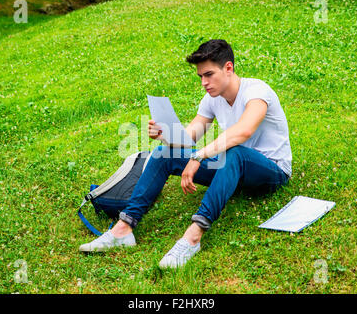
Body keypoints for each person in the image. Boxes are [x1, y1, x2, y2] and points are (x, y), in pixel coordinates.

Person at [79, 39, 292, 268]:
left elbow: (243, 131)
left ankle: (193, 236)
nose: (204, 82)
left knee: (235, 152)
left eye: (209, 74)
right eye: (201, 76)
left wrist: (198, 157)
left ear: (228, 68)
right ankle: (124, 228)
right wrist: (164, 135)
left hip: (271, 171)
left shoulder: (257, 91)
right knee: (163, 154)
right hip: (232, 171)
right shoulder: (212, 98)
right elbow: (189, 137)